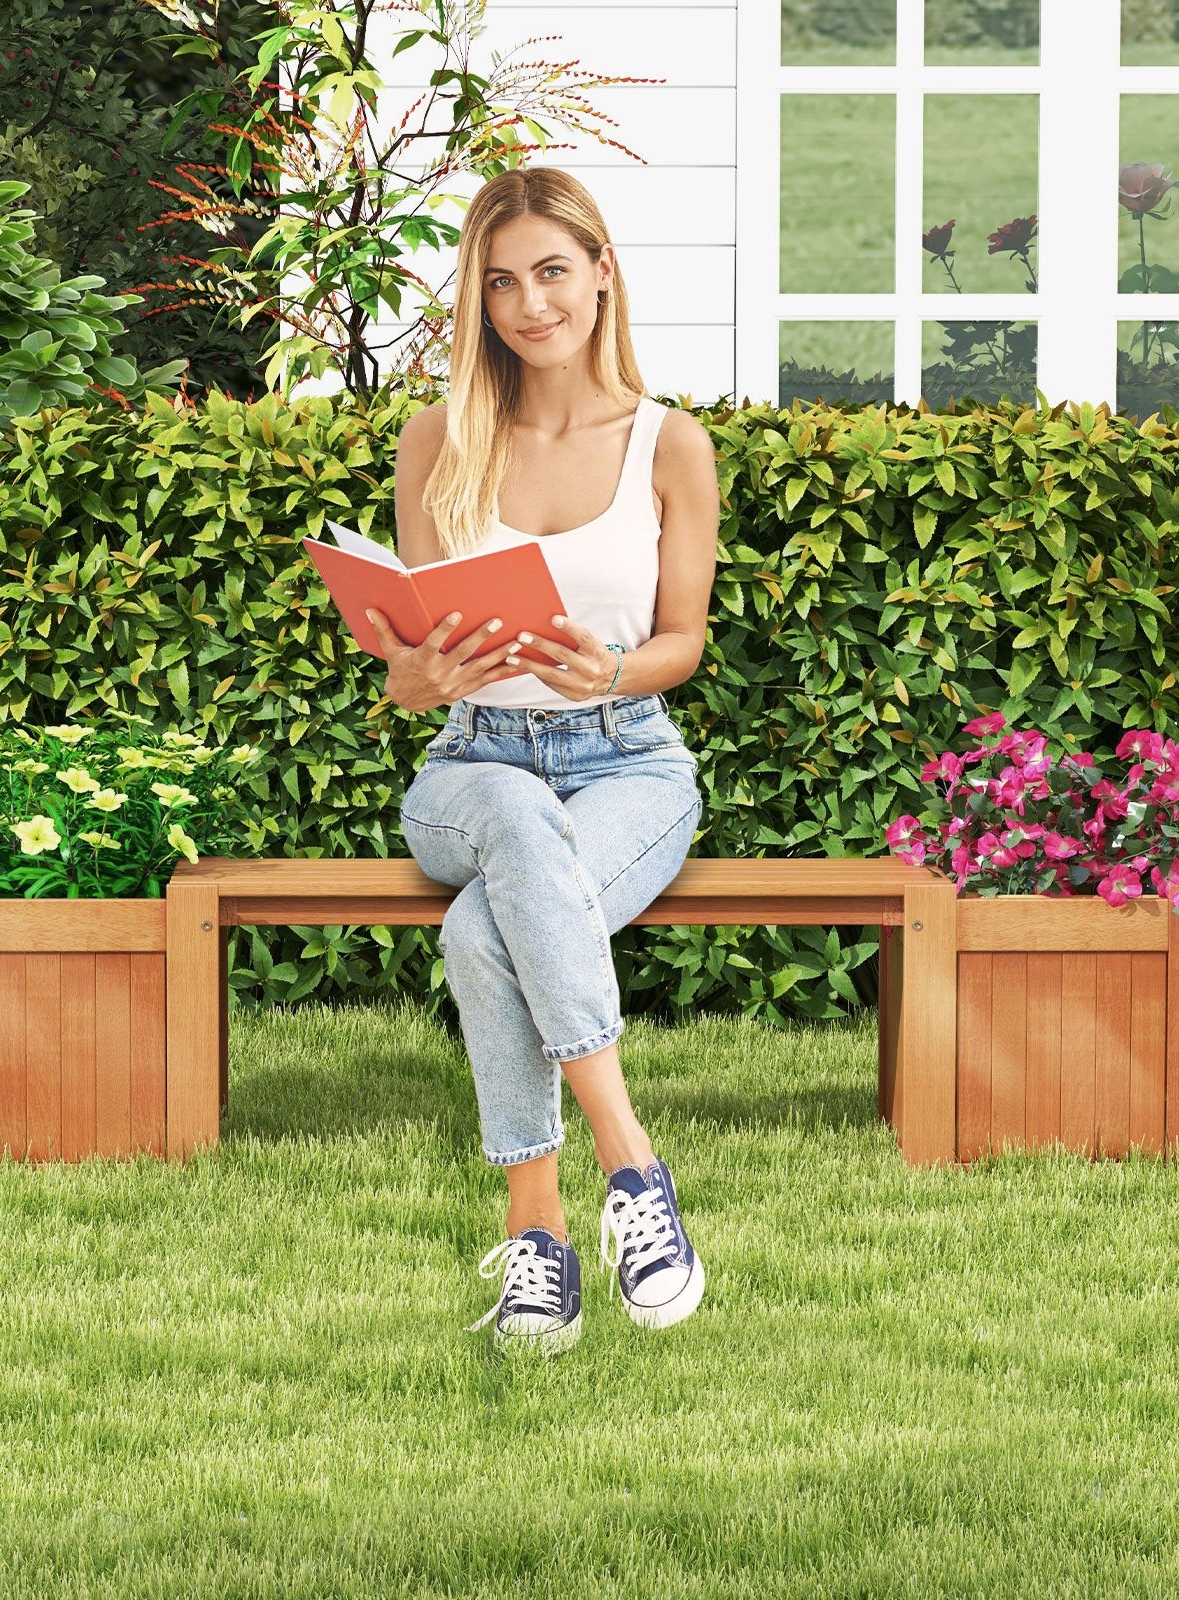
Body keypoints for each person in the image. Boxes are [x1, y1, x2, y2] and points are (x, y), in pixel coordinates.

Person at [361, 167, 721, 1356]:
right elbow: (414, 650)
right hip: (472, 763)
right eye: (500, 280)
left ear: (601, 271)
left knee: (481, 931)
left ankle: (540, 1237)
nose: (528, 303)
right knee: (511, 817)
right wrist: (414, 678)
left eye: (551, 271)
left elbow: (682, 642)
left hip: (627, 762)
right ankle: (636, 1169)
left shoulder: (670, 444)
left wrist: (608, 675)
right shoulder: (437, 440)